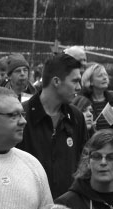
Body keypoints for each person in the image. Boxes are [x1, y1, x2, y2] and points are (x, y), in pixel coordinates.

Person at [22, 52, 88, 199]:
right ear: (56, 81)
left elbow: (83, 164)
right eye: (75, 81)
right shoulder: (20, 116)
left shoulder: (76, 117)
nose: (79, 87)